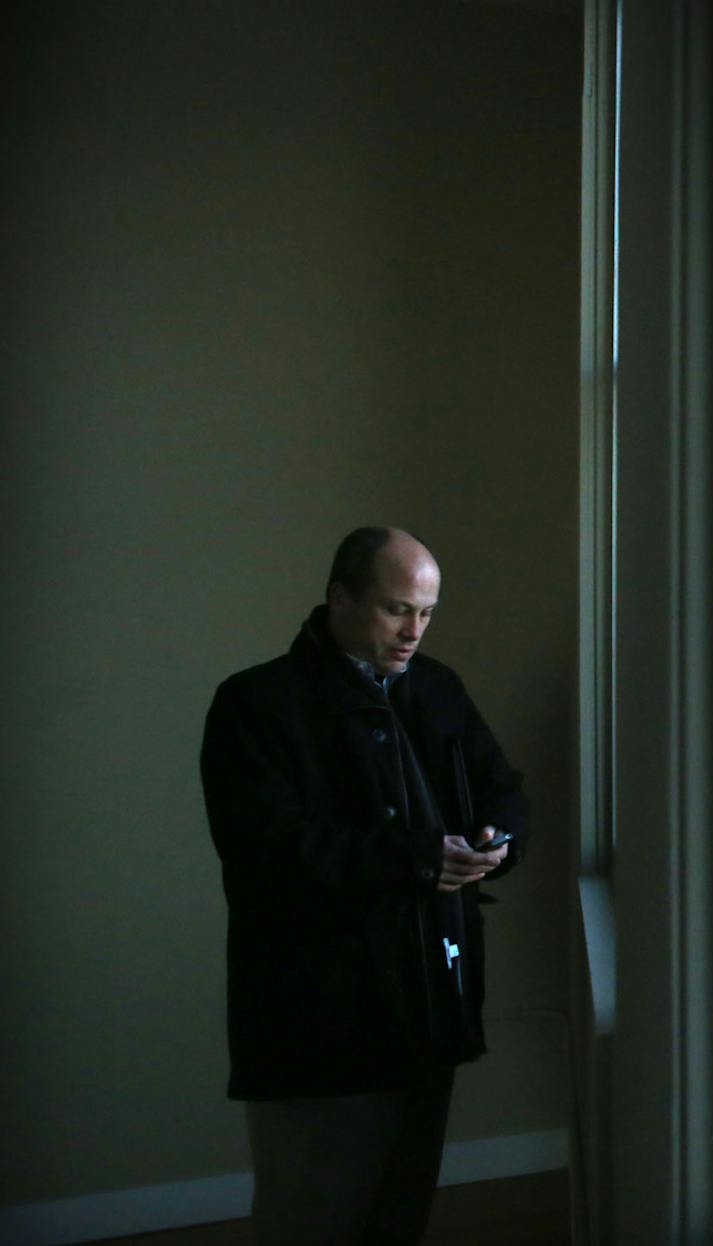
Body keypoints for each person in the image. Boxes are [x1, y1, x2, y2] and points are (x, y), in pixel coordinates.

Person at [200, 527, 528, 1244]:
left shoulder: (435, 688)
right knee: (312, 1214)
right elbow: (270, 848)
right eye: (395, 609)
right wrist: (416, 859)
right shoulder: (255, 704)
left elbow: (503, 788)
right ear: (339, 599)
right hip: (319, 1016)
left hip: (431, 1005)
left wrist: (493, 842)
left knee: (399, 1212)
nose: (414, 630)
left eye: (426, 612)